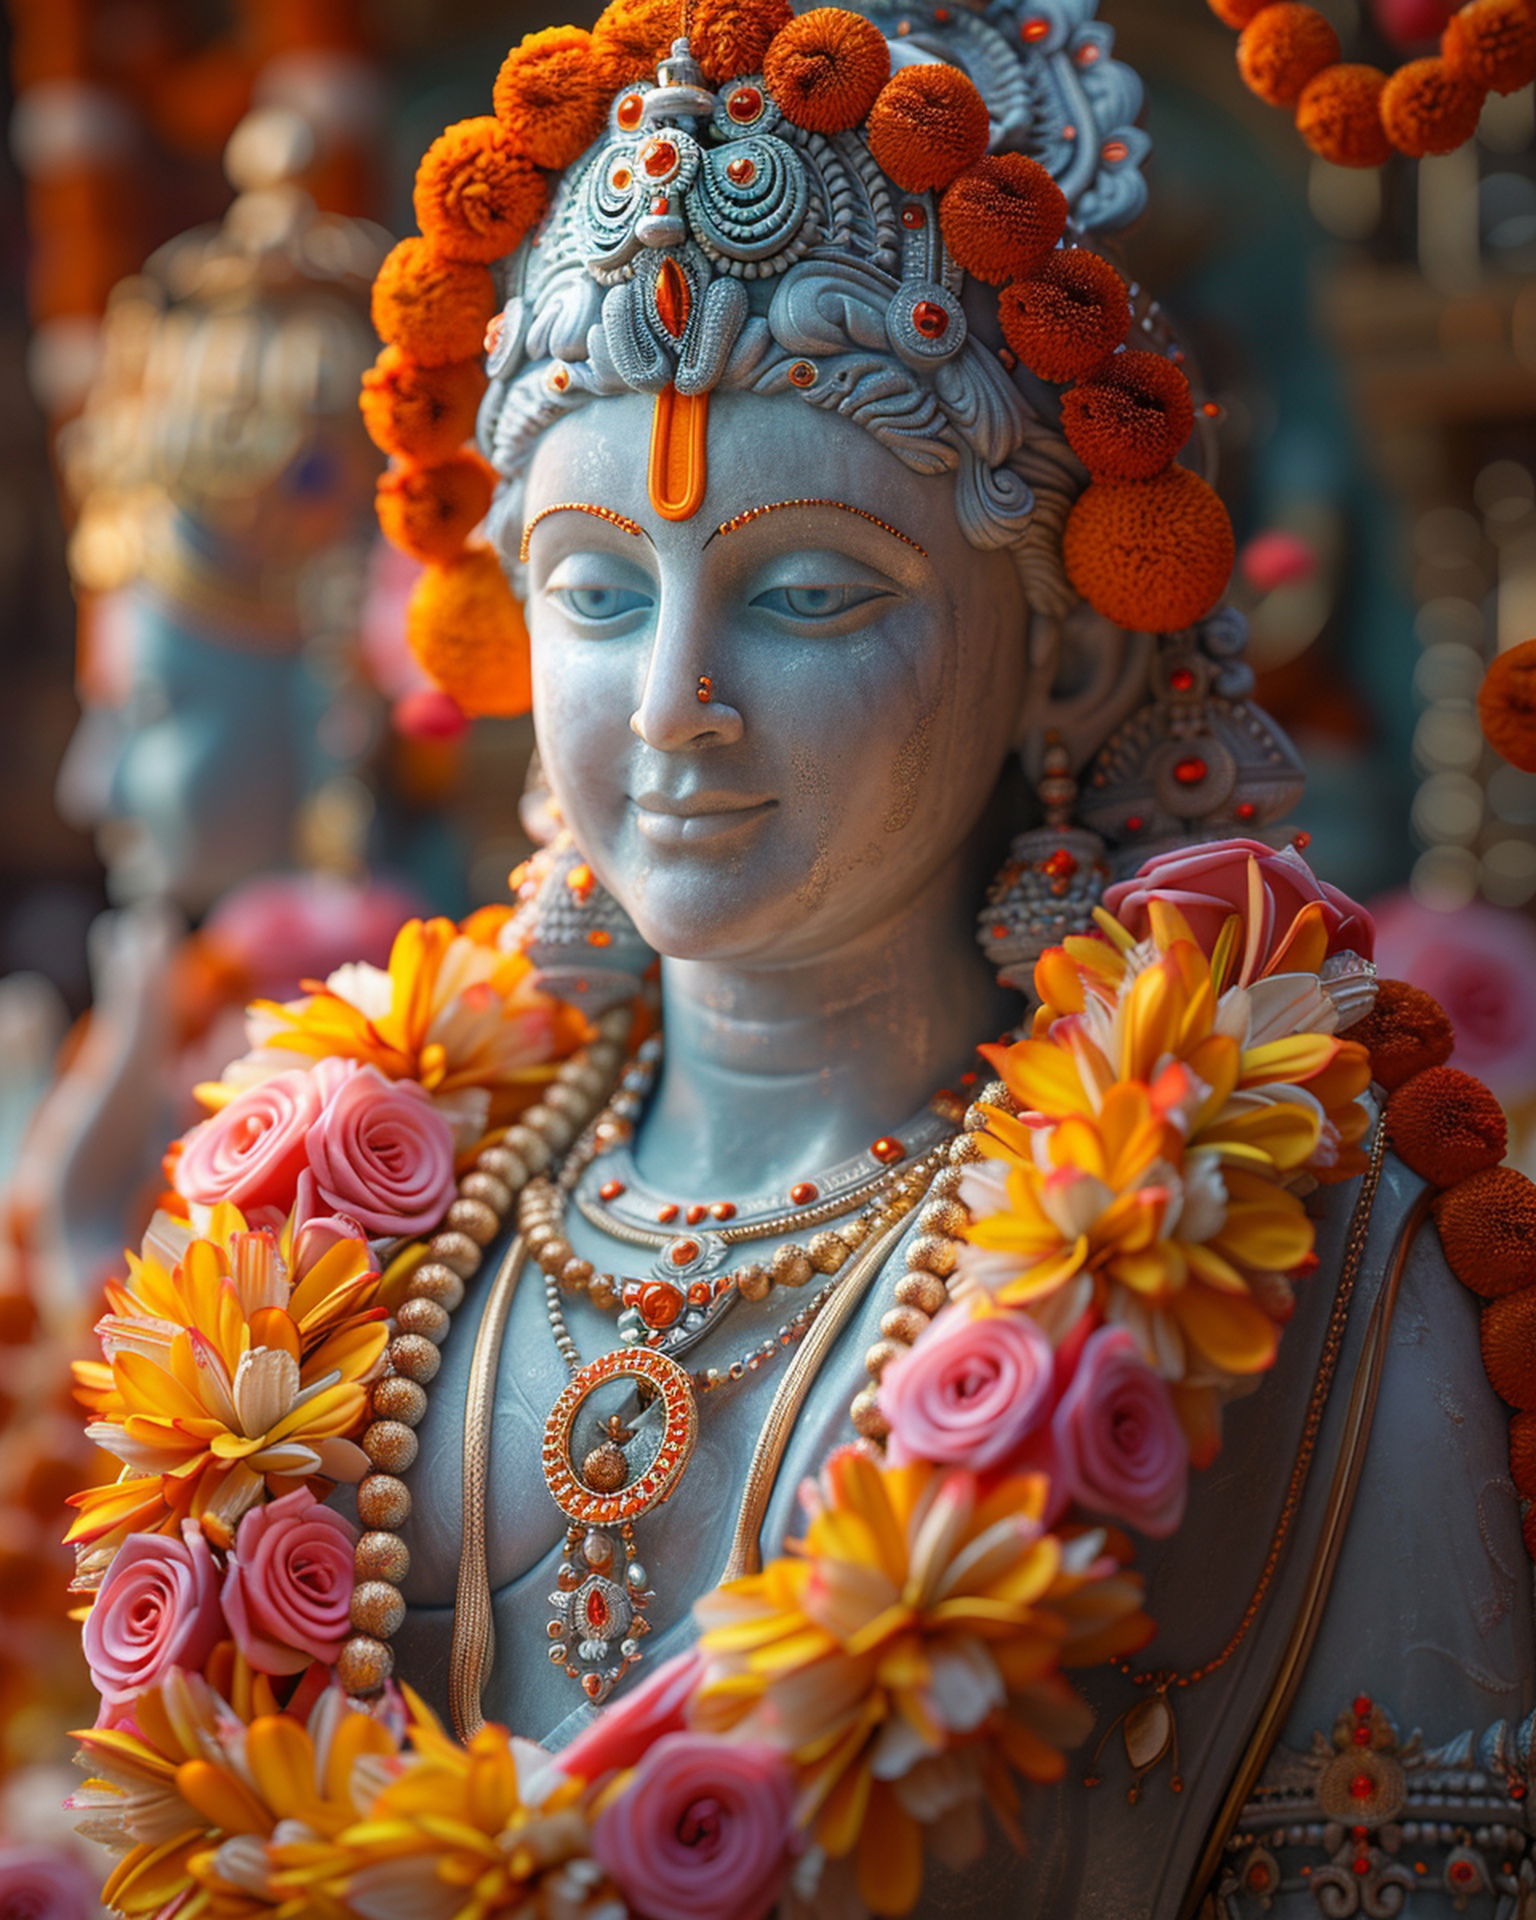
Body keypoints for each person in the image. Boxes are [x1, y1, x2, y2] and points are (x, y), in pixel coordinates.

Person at [63, 3, 1536, 1915]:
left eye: (808, 593)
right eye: (596, 591)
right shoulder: (337, 1238)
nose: (676, 708)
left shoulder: (1309, 1265)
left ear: (1068, 656)